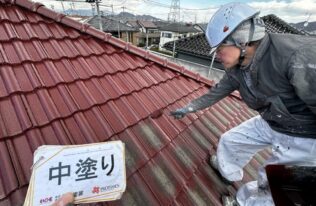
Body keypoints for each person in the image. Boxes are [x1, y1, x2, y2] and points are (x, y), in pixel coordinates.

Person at [170, 2, 316, 206]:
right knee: (231, 141)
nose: (217, 55)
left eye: (220, 48)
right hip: (272, 120)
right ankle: (227, 172)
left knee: (273, 185)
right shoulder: (239, 67)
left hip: (304, 136)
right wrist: (190, 107)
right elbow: (218, 91)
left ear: (242, 41)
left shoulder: (296, 56)